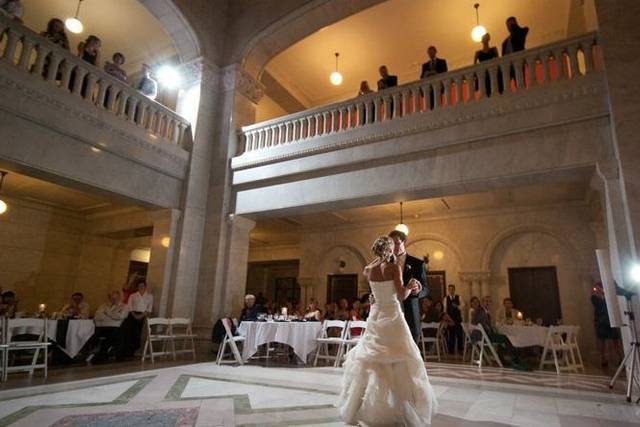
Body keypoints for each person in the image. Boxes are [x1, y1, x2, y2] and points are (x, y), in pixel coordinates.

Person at [339, 236, 437, 425]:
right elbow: (401, 295)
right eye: (392, 246)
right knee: (401, 357)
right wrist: (409, 287)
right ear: (388, 249)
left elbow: (373, 295)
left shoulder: (368, 269)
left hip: (376, 316)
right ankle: (401, 405)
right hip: (392, 315)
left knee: (373, 361)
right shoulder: (394, 267)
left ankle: (364, 407)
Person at [388, 229, 429, 342]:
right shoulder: (385, 264)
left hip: (410, 312)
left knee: (411, 347)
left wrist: (418, 290)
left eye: (397, 243)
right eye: (391, 244)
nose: (394, 247)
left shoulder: (417, 264)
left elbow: (426, 289)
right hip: (390, 312)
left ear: (404, 242)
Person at [91, 291, 129, 363]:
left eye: (116, 298)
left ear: (119, 298)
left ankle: (103, 354)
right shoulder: (103, 306)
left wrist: (107, 314)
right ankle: (103, 354)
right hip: (101, 328)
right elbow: (97, 317)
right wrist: (112, 316)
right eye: (112, 298)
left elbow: (121, 316)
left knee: (117, 333)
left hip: (115, 328)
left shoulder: (124, 306)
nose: (114, 300)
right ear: (109, 298)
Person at [591, 282, 623, 367]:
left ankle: (620, 358)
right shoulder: (594, 297)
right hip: (600, 321)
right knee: (602, 341)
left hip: (609, 320)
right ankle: (603, 359)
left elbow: (610, 304)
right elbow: (598, 306)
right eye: (596, 288)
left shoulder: (608, 296)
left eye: (598, 288)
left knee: (615, 340)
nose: (597, 290)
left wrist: (604, 293)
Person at [120, 281, 153, 358]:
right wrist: (134, 315)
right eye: (139, 286)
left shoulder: (150, 296)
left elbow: (149, 309)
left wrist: (141, 316)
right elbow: (129, 306)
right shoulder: (133, 295)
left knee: (137, 334)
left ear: (145, 286)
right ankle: (125, 352)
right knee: (128, 333)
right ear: (137, 287)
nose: (141, 287)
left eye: (142, 286)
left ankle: (134, 350)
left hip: (143, 315)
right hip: (132, 315)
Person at [443, 284, 464, 354]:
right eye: (450, 289)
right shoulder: (446, 299)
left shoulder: (459, 297)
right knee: (451, 335)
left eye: (452, 289)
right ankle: (451, 350)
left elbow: (463, 306)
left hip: (458, 319)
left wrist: (457, 306)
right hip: (450, 319)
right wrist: (447, 320)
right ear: (448, 290)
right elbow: (445, 310)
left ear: (454, 290)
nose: (451, 291)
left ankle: (460, 349)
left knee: (459, 334)